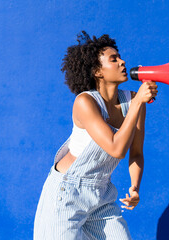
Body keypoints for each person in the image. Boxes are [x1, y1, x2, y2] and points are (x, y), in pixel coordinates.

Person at [34, 31, 157, 240]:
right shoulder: (85, 102)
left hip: (101, 193)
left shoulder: (133, 101)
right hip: (67, 192)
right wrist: (137, 103)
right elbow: (116, 149)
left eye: (120, 57)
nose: (122, 61)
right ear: (97, 71)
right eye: (114, 59)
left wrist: (135, 187)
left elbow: (136, 152)